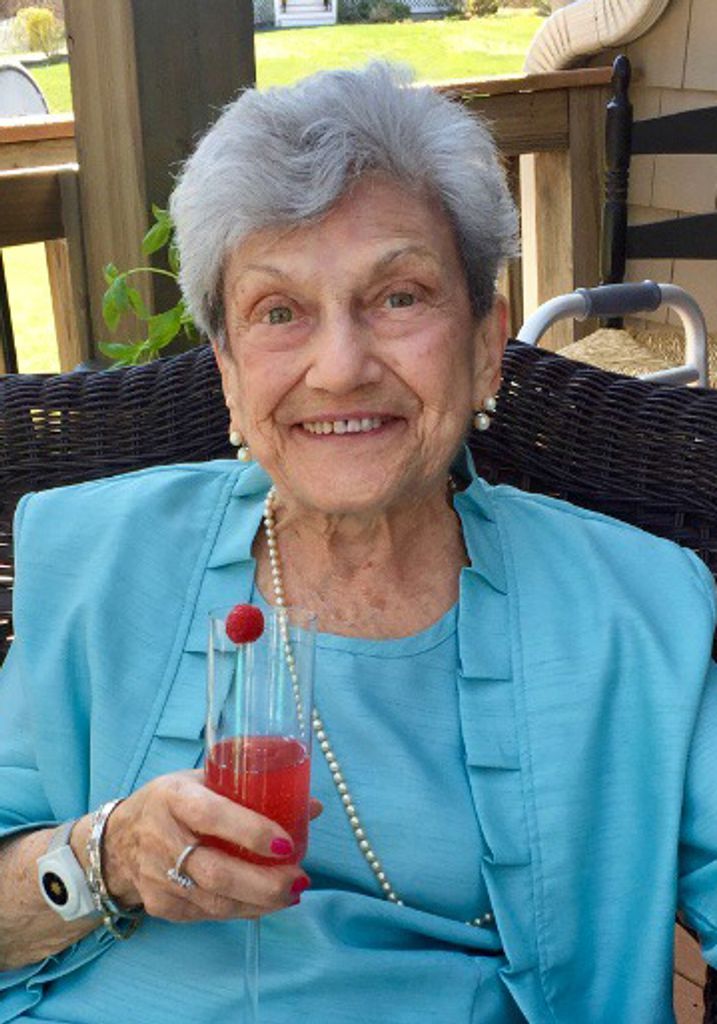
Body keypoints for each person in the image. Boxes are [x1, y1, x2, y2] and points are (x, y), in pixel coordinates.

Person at [0, 61, 716, 1024]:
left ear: (484, 344)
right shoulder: (97, 558)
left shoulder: (633, 609)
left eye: (398, 297)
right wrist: (107, 857)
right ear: (226, 371)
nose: (339, 368)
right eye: (278, 312)